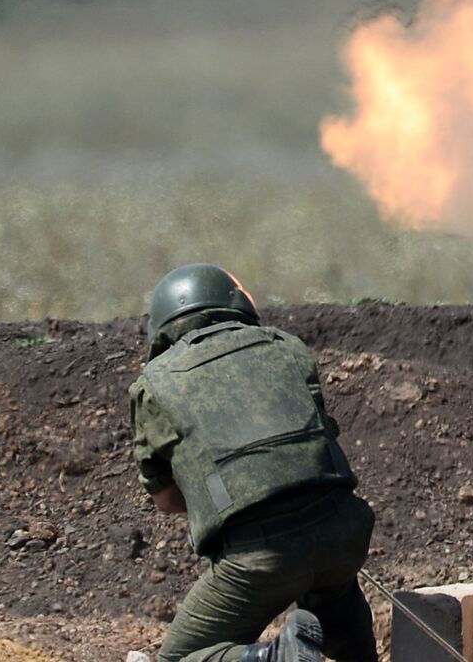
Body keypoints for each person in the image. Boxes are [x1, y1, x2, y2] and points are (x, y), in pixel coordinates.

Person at [129, 263, 378, 662]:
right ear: (237, 303)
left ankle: (271, 658)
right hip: (343, 532)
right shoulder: (285, 347)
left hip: (259, 556)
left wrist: (223, 492)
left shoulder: (155, 383)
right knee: (336, 598)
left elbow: (166, 499)